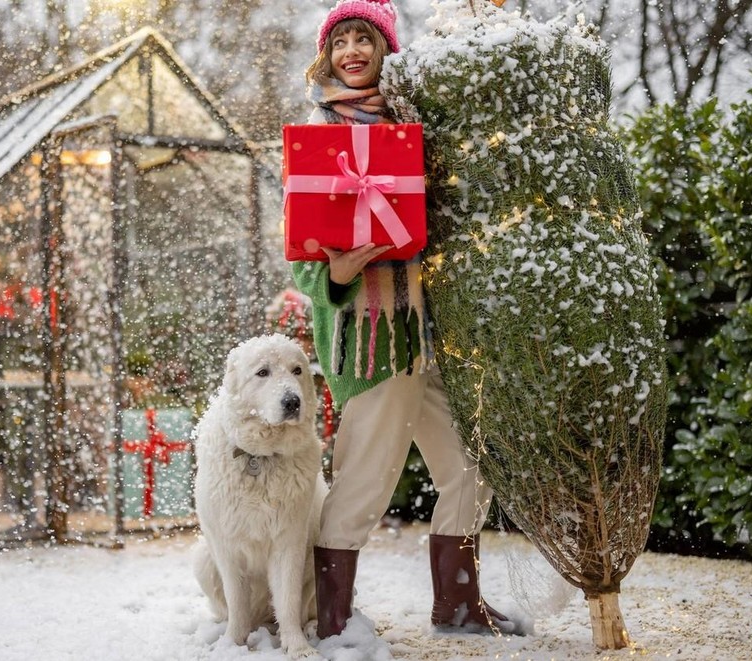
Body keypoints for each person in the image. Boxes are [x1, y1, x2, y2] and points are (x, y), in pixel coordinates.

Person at [292, 0, 521, 639]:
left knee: (472, 468)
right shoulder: (316, 132)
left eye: (365, 38)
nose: (352, 52)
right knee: (365, 482)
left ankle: (456, 605)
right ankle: (332, 620)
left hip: (426, 334)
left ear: (386, 50)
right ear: (326, 55)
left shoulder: (412, 130)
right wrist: (334, 273)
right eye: (341, 42)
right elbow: (299, 251)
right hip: (368, 339)